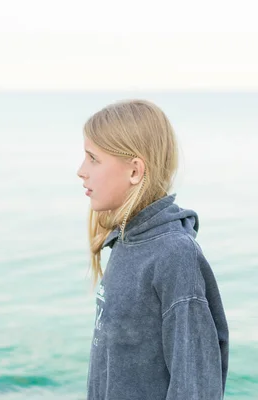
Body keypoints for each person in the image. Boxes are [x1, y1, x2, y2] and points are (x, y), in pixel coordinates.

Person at [77, 100, 229, 400]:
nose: (81, 171)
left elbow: (196, 387)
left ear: (135, 170)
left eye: (93, 159)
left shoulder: (174, 256)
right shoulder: (125, 242)